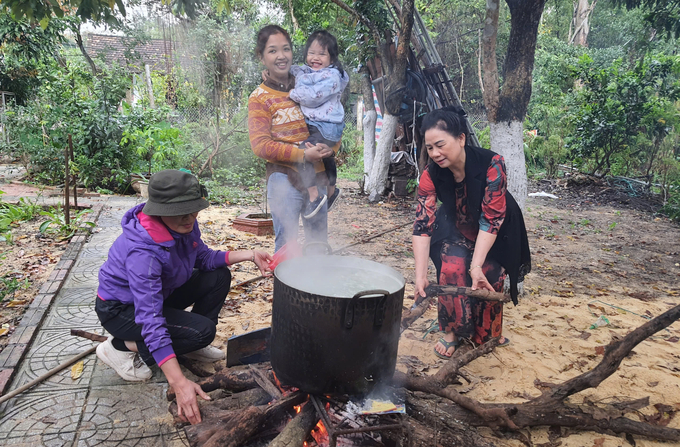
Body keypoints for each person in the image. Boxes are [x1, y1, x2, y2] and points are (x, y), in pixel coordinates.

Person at [95, 169, 272, 425]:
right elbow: (150, 318)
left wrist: (250, 254)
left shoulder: (183, 225)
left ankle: (191, 341)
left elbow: (204, 258)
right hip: (122, 311)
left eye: (194, 210)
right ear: (159, 210)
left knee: (218, 275)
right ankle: (119, 347)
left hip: (161, 293)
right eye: (181, 211)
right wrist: (178, 382)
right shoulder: (143, 253)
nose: (190, 217)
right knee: (202, 331)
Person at [412, 107, 531, 359]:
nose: (435, 153)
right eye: (430, 147)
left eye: (440, 145)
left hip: (496, 228)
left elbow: (491, 218)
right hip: (457, 225)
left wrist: (475, 266)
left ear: (461, 139)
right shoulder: (430, 174)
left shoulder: (492, 164)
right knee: (451, 267)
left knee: (489, 273)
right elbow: (422, 224)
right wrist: (420, 276)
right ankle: (451, 332)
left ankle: (486, 333)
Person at [248, 24, 338, 252]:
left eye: (286, 49)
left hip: (317, 176)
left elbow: (332, 120)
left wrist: (332, 147)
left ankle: (316, 288)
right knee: (287, 247)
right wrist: (302, 155)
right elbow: (260, 145)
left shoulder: (312, 84)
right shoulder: (259, 97)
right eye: (272, 50)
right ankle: (285, 290)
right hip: (283, 180)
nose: (281, 56)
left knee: (317, 246)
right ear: (262, 57)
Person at [289, 30, 349, 219]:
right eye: (311, 53)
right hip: (324, 125)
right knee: (325, 155)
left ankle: (314, 196)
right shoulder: (314, 71)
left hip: (325, 127)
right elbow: (297, 70)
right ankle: (332, 191)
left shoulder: (330, 77)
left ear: (331, 58)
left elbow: (313, 98)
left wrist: (292, 94)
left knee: (302, 153)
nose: (315, 58)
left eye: (322, 54)